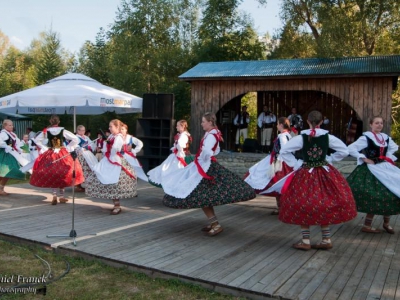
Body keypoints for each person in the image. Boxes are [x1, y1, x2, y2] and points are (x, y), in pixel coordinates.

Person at [162, 112, 256, 236]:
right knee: (204, 197)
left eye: (203, 121)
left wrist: (202, 159)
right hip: (204, 165)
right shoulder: (212, 133)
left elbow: (207, 151)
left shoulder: (212, 135)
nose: (201, 124)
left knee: (202, 196)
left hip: (205, 167)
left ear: (210, 122)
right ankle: (213, 223)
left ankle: (216, 224)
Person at [273, 110, 357, 250]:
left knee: (303, 202)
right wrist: (329, 159)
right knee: (325, 202)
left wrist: (297, 164)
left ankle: (305, 241)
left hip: (305, 173)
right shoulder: (328, 137)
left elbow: (284, 152)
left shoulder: (301, 137)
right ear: (321, 122)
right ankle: (326, 239)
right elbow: (344, 151)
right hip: (325, 172)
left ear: (307, 122)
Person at [347, 116, 400, 234]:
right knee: (374, 195)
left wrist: (388, 157)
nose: (379, 125)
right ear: (371, 124)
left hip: (384, 168)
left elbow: (393, 148)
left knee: (391, 192)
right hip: (372, 169)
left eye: (381, 123)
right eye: (377, 123)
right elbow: (351, 148)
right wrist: (364, 159)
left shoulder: (385, 138)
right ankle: (367, 225)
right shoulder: (366, 137)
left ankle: (386, 223)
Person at [85, 119, 137, 215]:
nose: (109, 128)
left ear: (117, 127)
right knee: (100, 176)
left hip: (115, 160)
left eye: (111, 126)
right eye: (109, 126)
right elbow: (105, 149)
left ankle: (117, 206)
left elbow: (115, 149)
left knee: (114, 182)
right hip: (108, 159)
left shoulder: (119, 137)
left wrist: (110, 146)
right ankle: (116, 204)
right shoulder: (112, 136)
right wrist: (107, 144)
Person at [30, 115, 84, 205]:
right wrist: (69, 147)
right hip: (62, 152)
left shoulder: (46, 131)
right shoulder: (63, 131)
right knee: (63, 173)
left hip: (51, 153)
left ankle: (54, 195)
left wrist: (44, 148)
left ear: (50, 121)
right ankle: (62, 196)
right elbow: (76, 139)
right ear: (58, 122)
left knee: (53, 173)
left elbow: (36, 140)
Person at [244, 117, 293, 215]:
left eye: (278, 124)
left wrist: (277, 160)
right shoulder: (289, 135)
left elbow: (284, 150)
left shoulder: (282, 136)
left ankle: (281, 207)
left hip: (279, 162)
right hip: (284, 162)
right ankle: (281, 207)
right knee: (279, 185)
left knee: (275, 183)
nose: (277, 125)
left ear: (282, 125)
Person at [148, 120, 193, 187]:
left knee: (173, 171)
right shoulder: (182, 135)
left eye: (178, 125)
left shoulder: (184, 135)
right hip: (179, 155)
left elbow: (180, 145)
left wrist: (178, 150)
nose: (176, 127)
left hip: (182, 156)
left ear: (182, 126)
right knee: (170, 170)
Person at [0, 120, 28, 195]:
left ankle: (1, 188)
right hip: (4, 154)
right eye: (9, 125)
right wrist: (6, 146)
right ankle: (1, 189)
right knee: (3, 172)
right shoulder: (3, 134)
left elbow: (17, 144)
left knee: (9, 171)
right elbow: (0, 142)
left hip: (11, 154)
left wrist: (23, 150)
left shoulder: (13, 134)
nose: (11, 126)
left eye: (12, 125)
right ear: (5, 126)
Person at [75, 125, 97, 192]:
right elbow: (75, 146)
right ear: (78, 130)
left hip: (88, 154)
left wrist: (89, 147)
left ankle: (88, 184)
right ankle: (79, 185)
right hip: (81, 156)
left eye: (84, 130)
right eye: (81, 130)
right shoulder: (76, 137)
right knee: (81, 170)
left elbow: (92, 144)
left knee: (90, 168)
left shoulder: (86, 137)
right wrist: (81, 148)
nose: (82, 132)